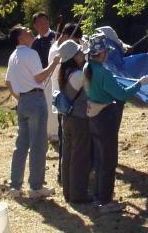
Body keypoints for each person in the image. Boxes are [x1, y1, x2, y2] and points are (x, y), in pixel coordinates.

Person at [83, 33, 148, 214]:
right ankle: (105, 200)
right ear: (102, 52)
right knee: (108, 160)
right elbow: (123, 95)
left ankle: (98, 196)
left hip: (93, 116)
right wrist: (139, 84)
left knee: (99, 158)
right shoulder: (103, 72)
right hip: (105, 118)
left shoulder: (87, 67)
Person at [5, 25, 60, 198]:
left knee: (21, 145)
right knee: (38, 145)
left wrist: (20, 98)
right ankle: (36, 187)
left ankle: (15, 186)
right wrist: (54, 64)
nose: (29, 31)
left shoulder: (13, 56)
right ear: (20, 38)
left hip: (22, 101)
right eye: (26, 30)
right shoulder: (31, 54)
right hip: (35, 99)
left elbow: (8, 82)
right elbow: (39, 77)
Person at [57, 40, 92, 203]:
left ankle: (68, 192)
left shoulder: (65, 72)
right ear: (73, 57)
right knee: (79, 158)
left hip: (68, 117)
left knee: (68, 156)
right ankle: (78, 195)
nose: (82, 55)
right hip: (79, 119)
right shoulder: (79, 75)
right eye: (79, 53)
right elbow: (92, 88)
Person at [48, 23, 83, 181]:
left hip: (63, 105)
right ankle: (69, 178)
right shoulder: (59, 53)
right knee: (71, 147)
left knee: (66, 145)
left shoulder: (59, 53)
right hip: (70, 108)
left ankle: (63, 175)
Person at [31, 12, 58, 141]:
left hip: (56, 74)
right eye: (41, 23)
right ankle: (46, 131)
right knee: (45, 104)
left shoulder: (56, 36)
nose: (44, 25)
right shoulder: (34, 42)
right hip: (42, 76)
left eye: (46, 22)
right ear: (35, 26)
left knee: (53, 102)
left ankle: (55, 133)